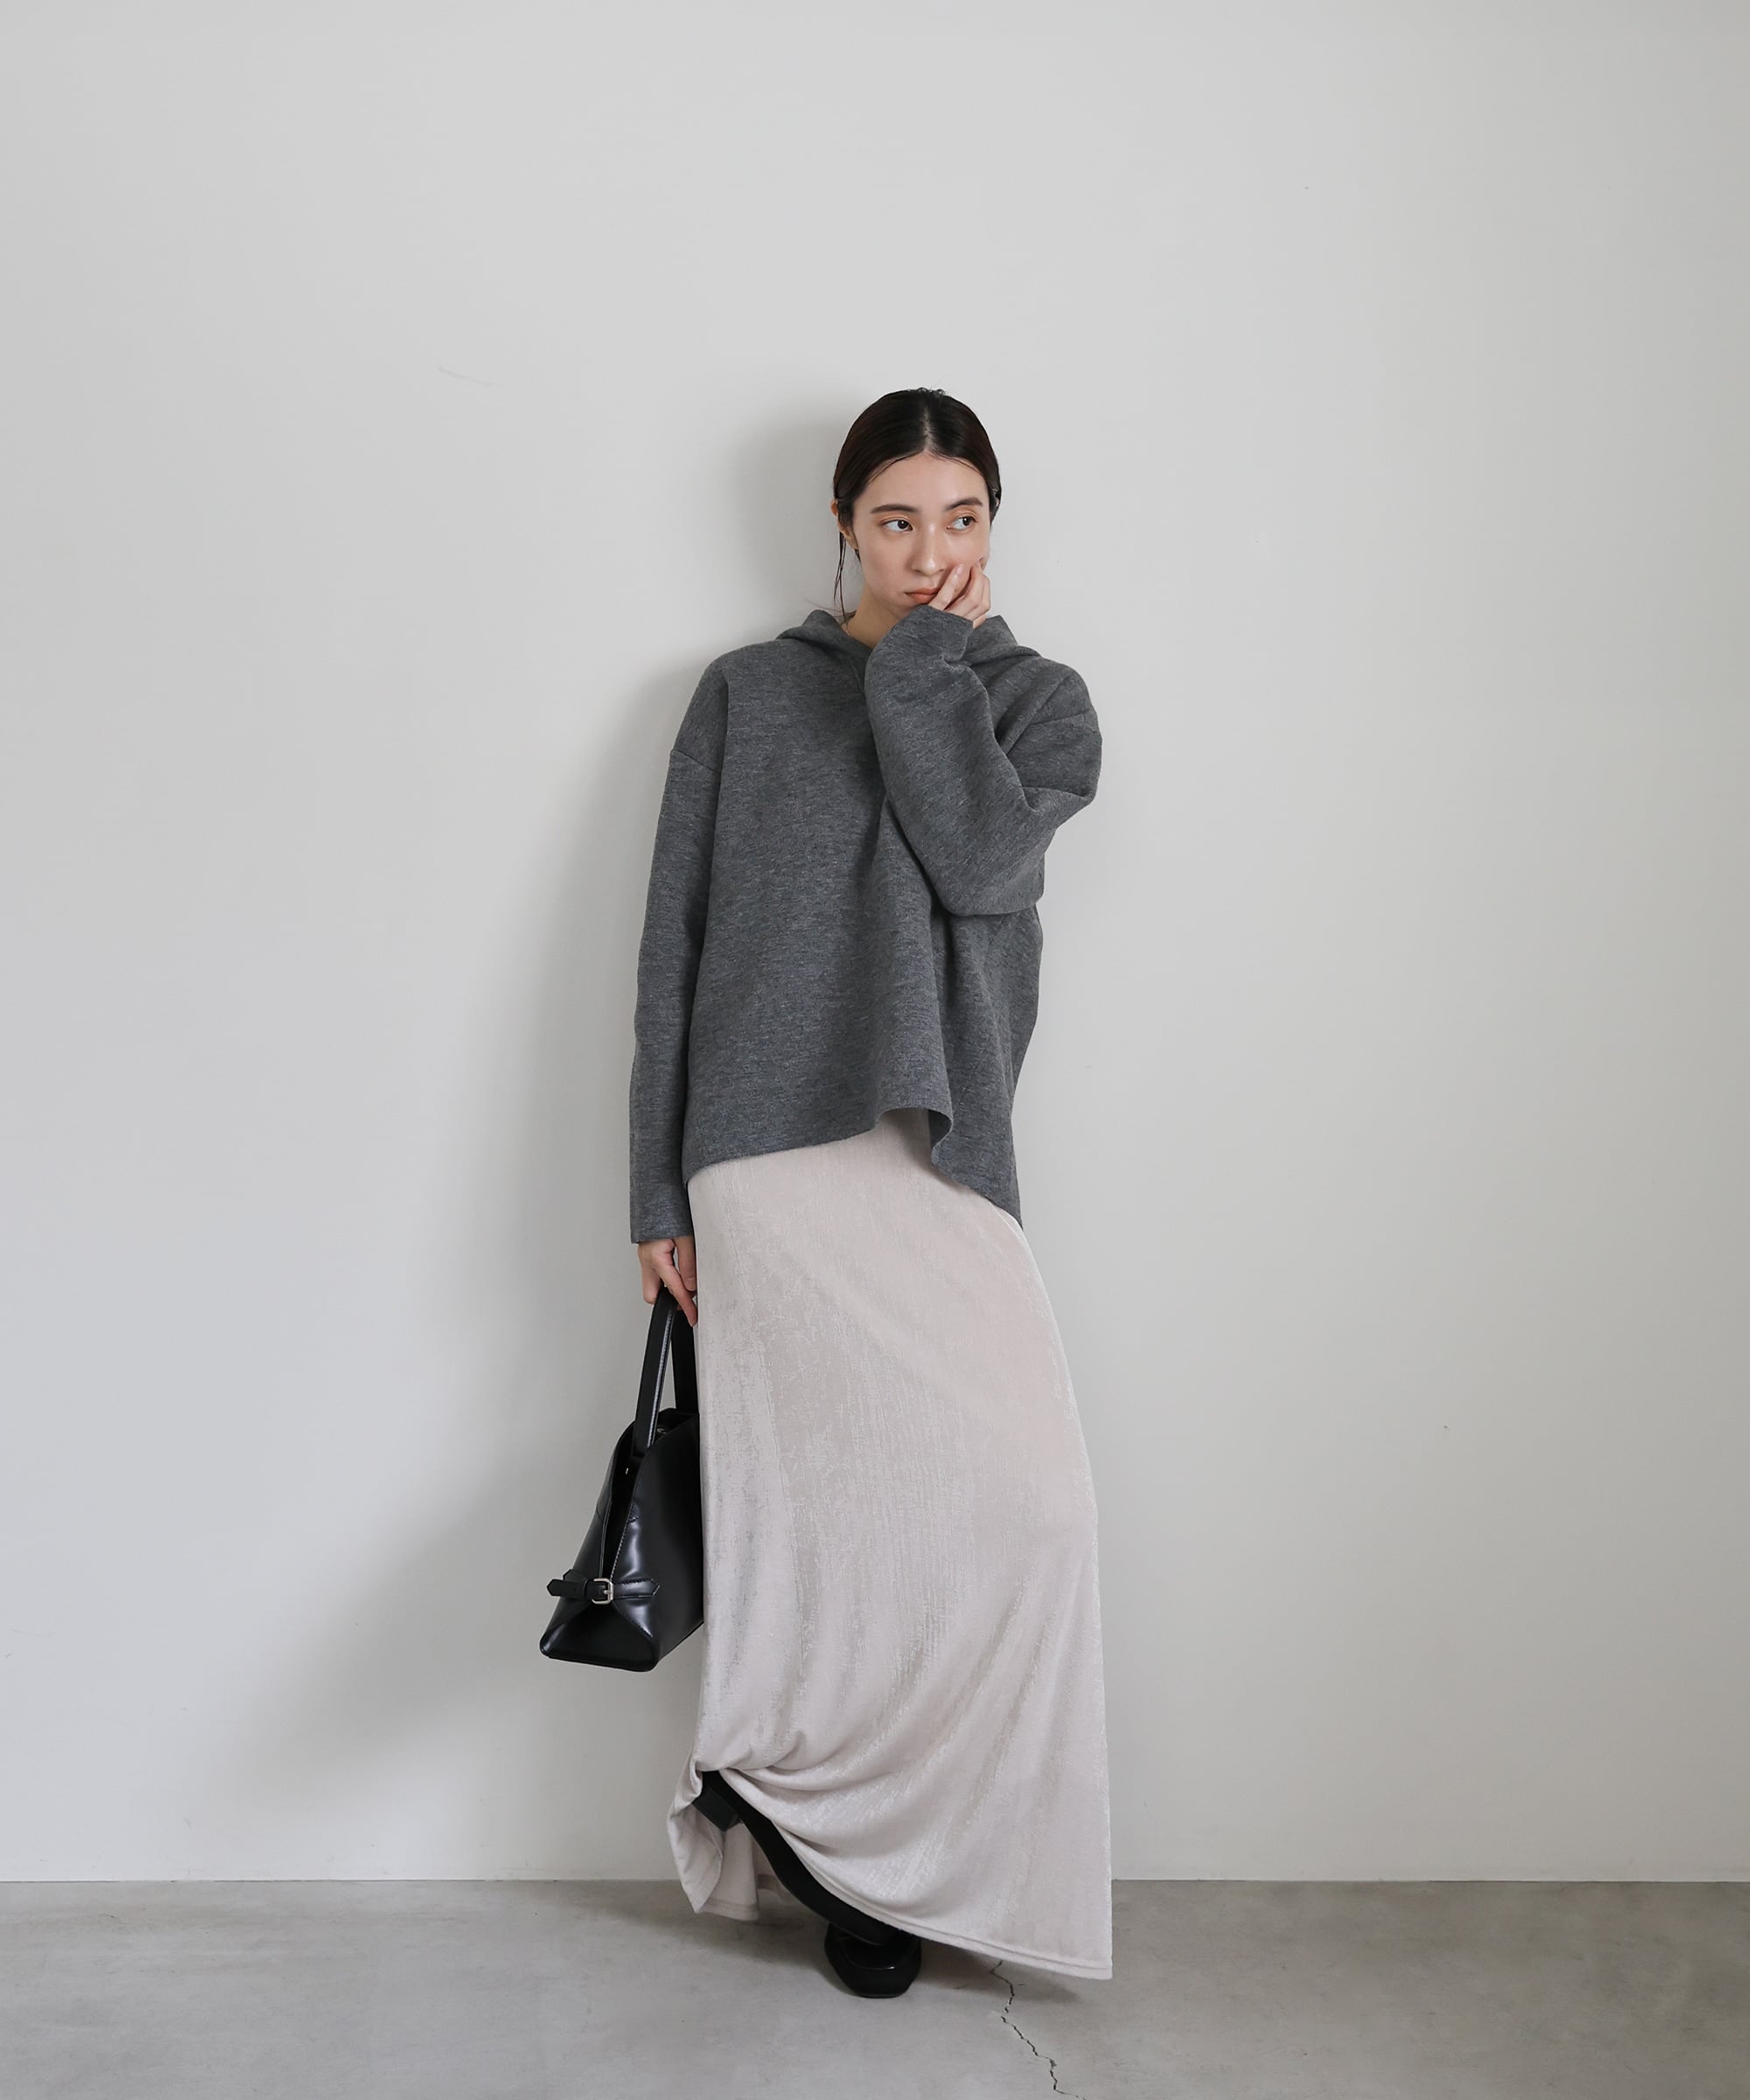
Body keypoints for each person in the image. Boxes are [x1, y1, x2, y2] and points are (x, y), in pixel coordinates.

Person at [627, 387, 1110, 1997]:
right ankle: (821, 1836)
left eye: (959, 519)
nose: (926, 550)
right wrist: (652, 1187)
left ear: (993, 528)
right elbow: (675, 947)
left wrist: (922, 670)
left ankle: (914, 1840)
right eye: (896, 520)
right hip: (761, 1155)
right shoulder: (746, 695)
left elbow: (982, 867)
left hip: (936, 1145)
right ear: (843, 523)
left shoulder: (1038, 703)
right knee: (818, 1525)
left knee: (1029, 1509)